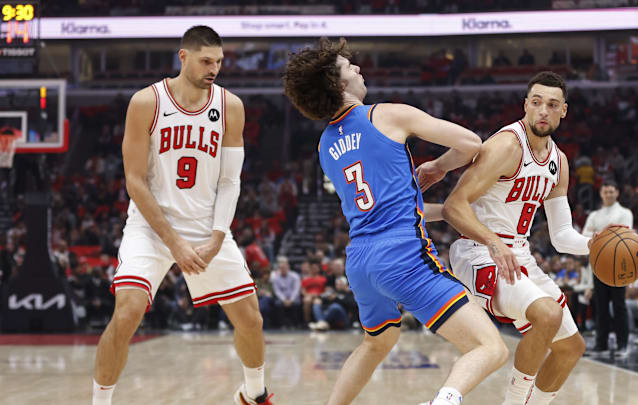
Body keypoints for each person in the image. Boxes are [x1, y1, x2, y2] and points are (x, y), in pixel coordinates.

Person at [283, 38, 508, 405]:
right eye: (348, 67)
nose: (357, 68)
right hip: (403, 257)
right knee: (490, 348)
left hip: (361, 260)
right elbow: (471, 143)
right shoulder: (385, 115)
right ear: (337, 84)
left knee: (377, 343)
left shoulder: (325, 145)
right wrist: (437, 166)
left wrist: (447, 212)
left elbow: (387, 208)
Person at [92, 26, 273, 405]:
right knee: (126, 313)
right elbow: (134, 181)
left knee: (251, 321)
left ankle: (254, 393)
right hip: (152, 227)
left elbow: (229, 181)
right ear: (183, 57)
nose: (214, 69)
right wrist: (174, 243)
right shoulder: (147, 102)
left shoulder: (230, 106)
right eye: (207, 61)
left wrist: (218, 236)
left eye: (219, 62)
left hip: (206, 228)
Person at [425, 72, 599, 405]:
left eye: (551, 105)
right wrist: (493, 241)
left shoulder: (558, 162)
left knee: (570, 348)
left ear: (564, 111)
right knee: (546, 315)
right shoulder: (506, 145)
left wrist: (594, 242)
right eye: (536, 103)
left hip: (517, 253)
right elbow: (453, 206)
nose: (542, 111)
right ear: (525, 106)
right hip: (478, 251)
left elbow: (562, 236)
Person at [582, 180, 633, 356]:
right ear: (601, 194)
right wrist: (606, 233)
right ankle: (601, 344)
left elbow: (624, 235)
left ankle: (622, 345)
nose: (608, 194)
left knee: (619, 306)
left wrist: (599, 234)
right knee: (601, 306)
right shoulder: (594, 214)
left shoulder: (625, 213)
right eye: (606, 192)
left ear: (617, 193)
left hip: (619, 266)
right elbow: (585, 237)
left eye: (611, 191)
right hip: (598, 265)